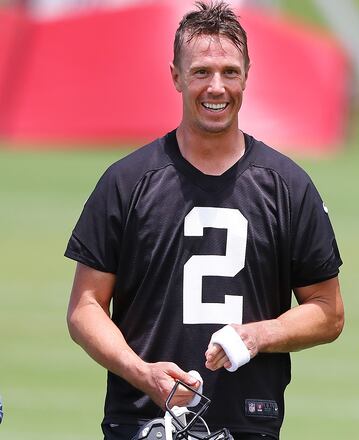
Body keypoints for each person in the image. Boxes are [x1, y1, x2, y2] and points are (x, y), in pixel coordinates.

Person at [65, 2, 344, 439]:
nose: (217, 87)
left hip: (248, 423)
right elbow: (85, 308)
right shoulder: (127, 181)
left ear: (248, 74)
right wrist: (142, 373)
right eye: (201, 72)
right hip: (142, 423)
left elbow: (328, 313)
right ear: (176, 75)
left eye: (230, 71)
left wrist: (257, 335)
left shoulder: (288, 186)